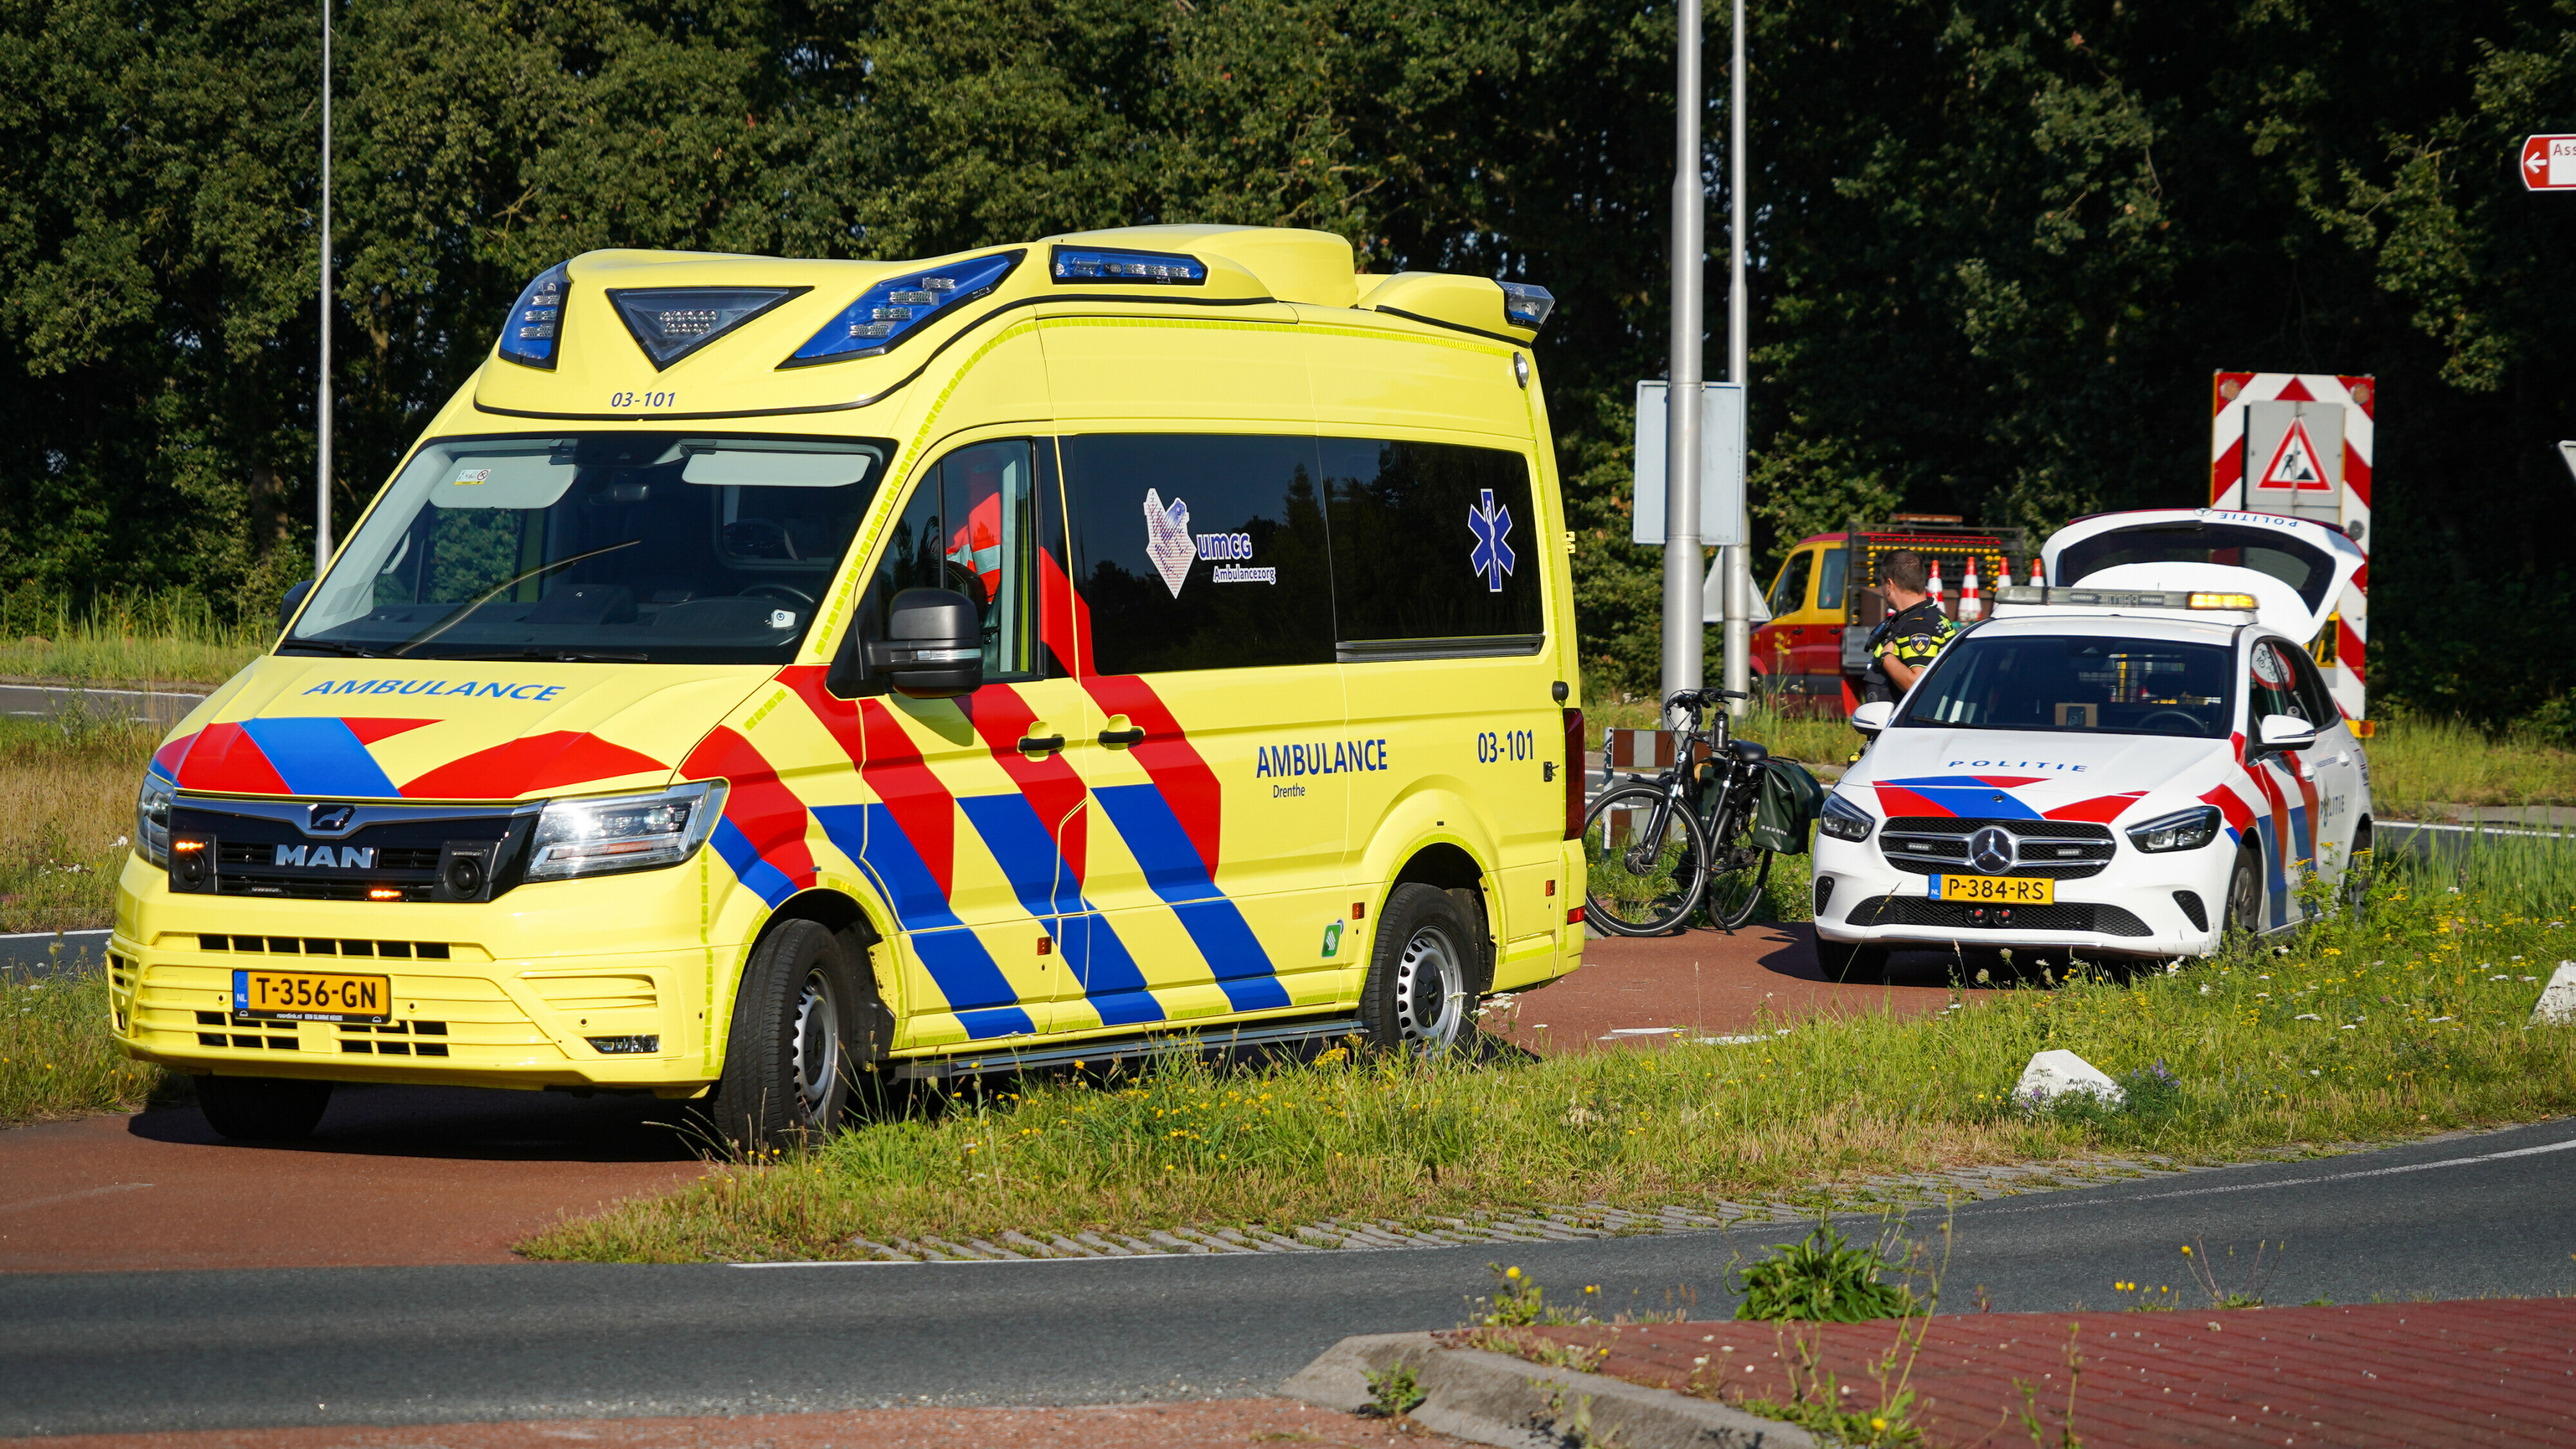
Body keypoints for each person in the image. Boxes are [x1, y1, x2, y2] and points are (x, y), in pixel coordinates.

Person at [1862, 550, 1956, 705]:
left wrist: (1886, 657)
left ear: (1889, 585)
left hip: (1908, 719)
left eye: (1882, 583)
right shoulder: (1929, 616)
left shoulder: (1918, 626)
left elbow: (1917, 684)